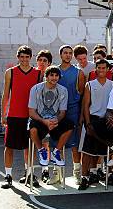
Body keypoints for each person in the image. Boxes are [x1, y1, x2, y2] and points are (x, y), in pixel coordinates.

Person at [0, 45, 42, 189]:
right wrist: (3, 114)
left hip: (30, 116)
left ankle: (29, 174)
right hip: (14, 115)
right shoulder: (10, 72)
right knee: (9, 146)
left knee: (29, 147)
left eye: (27, 57)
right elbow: (6, 95)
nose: (24, 59)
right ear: (18, 57)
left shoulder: (38, 74)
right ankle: (8, 175)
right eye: (22, 57)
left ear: (31, 58)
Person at [78, 59, 113, 190]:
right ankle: (84, 177)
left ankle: (110, 175)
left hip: (106, 120)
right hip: (93, 119)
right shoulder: (90, 84)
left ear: (107, 69)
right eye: (98, 68)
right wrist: (88, 123)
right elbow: (86, 106)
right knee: (87, 151)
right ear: (96, 69)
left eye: (103, 68)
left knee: (110, 150)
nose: (100, 70)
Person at [28, 66, 72, 171]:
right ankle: (41, 150)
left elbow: (62, 112)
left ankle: (56, 152)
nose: (54, 77)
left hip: (54, 120)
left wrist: (57, 120)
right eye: (51, 75)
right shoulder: (36, 89)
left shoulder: (63, 90)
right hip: (40, 120)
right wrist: (44, 121)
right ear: (46, 77)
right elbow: (31, 112)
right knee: (32, 128)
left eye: (56, 75)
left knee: (70, 125)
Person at [56, 45, 86, 184]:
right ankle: (57, 173)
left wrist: (80, 115)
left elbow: (81, 93)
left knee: (74, 144)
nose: (67, 55)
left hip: (73, 110)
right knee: (58, 143)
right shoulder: (54, 71)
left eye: (70, 53)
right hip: (56, 112)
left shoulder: (78, 72)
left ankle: (77, 173)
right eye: (65, 53)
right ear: (61, 55)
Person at [35, 49, 53, 182]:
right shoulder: (32, 74)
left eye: (45, 60)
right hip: (34, 114)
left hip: (47, 115)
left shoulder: (52, 76)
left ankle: (45, 170)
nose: (42, 62)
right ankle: (28, 171)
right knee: (32, 143)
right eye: (40, 60)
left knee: (46, 142)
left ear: (49, 63)